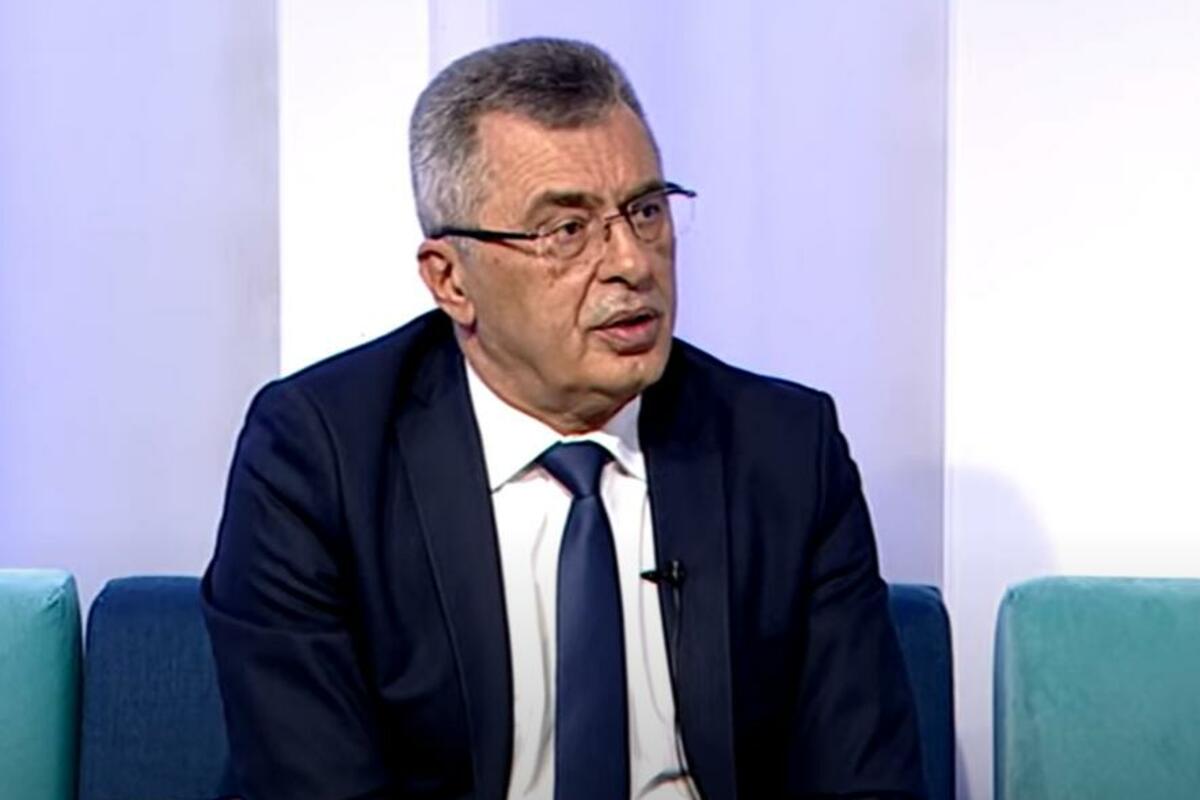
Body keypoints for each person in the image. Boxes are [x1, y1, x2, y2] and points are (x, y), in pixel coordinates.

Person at [203, 37, 926, 800]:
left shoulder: (782, 451)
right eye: (567, 230)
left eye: (646, 211)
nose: (632, 263)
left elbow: (864, 776)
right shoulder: (319, 457)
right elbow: (313, 780)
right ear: (451, 280)